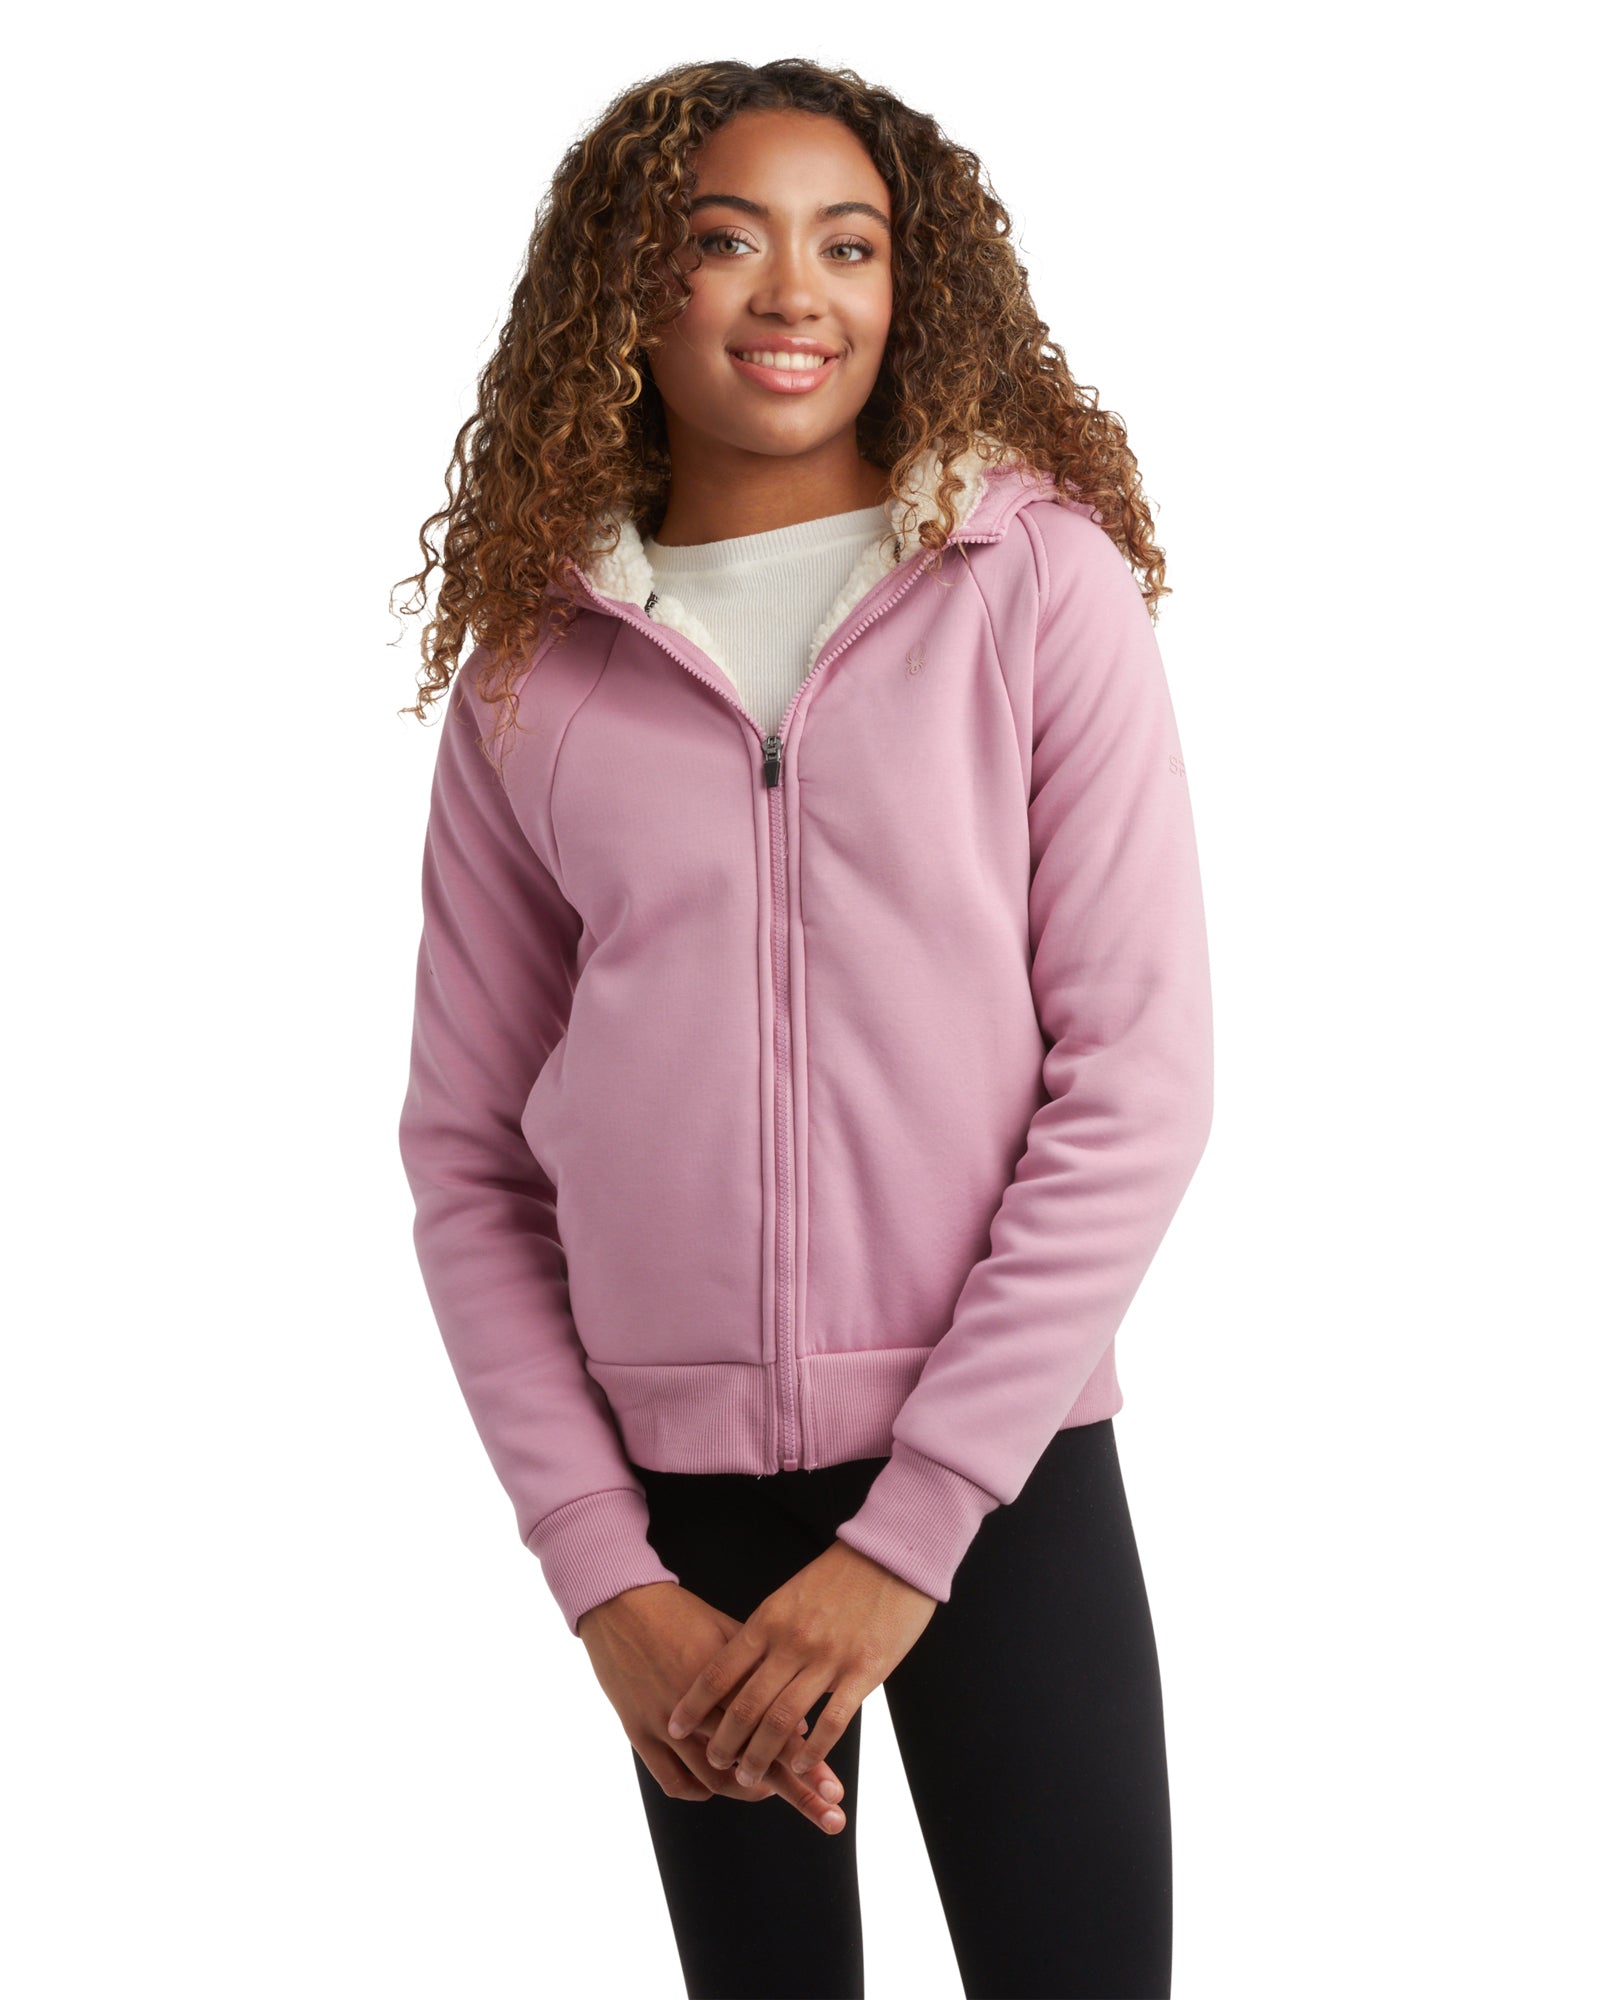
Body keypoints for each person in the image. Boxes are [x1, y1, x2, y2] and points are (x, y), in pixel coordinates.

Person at [394, 54, 1212, 2000]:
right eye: (725, 240)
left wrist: (911, 1531)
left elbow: (1136, 1077)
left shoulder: (1030, 584)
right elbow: (467, 1154)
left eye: (848, 245)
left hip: (1001, 1475)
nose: (794, 293)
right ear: (628, 287)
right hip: (682, 1525)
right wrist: (604, 1576)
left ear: (910, 287)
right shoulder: (533, 664)